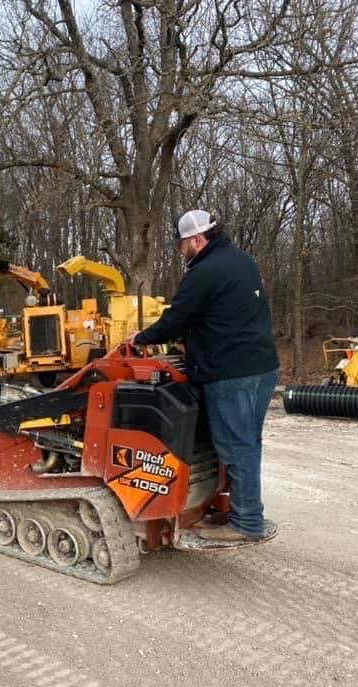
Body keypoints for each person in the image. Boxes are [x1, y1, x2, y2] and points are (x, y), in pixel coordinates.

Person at [128, 209, 280, 542]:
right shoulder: (243, 262)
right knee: (247, 444)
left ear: (197, 239)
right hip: (263, 367)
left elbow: (176, 319)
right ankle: (237, 509)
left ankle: (247, 523)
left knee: (236, 447)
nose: (181, 251)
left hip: (231, 373)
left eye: (182, 244)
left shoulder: (204, 272)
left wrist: (140, 339)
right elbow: (226, 317)